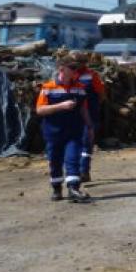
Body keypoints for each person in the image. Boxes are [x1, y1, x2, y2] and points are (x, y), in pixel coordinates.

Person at [36, 58, 93, 202]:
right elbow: (40, 110)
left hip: (74, 131)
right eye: (72, 68)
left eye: (76, 68)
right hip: (53, 132)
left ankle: (73, 189)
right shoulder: (48, 87)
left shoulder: (79, 87)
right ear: (62, 69)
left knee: (72, 159)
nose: (75, 71)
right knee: (55, 161)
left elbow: (83, 109)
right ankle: (56, 189)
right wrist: (61, 106)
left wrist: (90, 126)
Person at [71, 52, 106, 183]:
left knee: (86, 141)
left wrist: (94, 106)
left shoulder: (92, 75)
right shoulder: (67, 75)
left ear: (83, 63)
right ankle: (74, 171)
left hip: (90, 114)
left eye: (77, 62)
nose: (74, 65)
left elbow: (101, 94)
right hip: (72, 115)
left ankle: (84, 171)